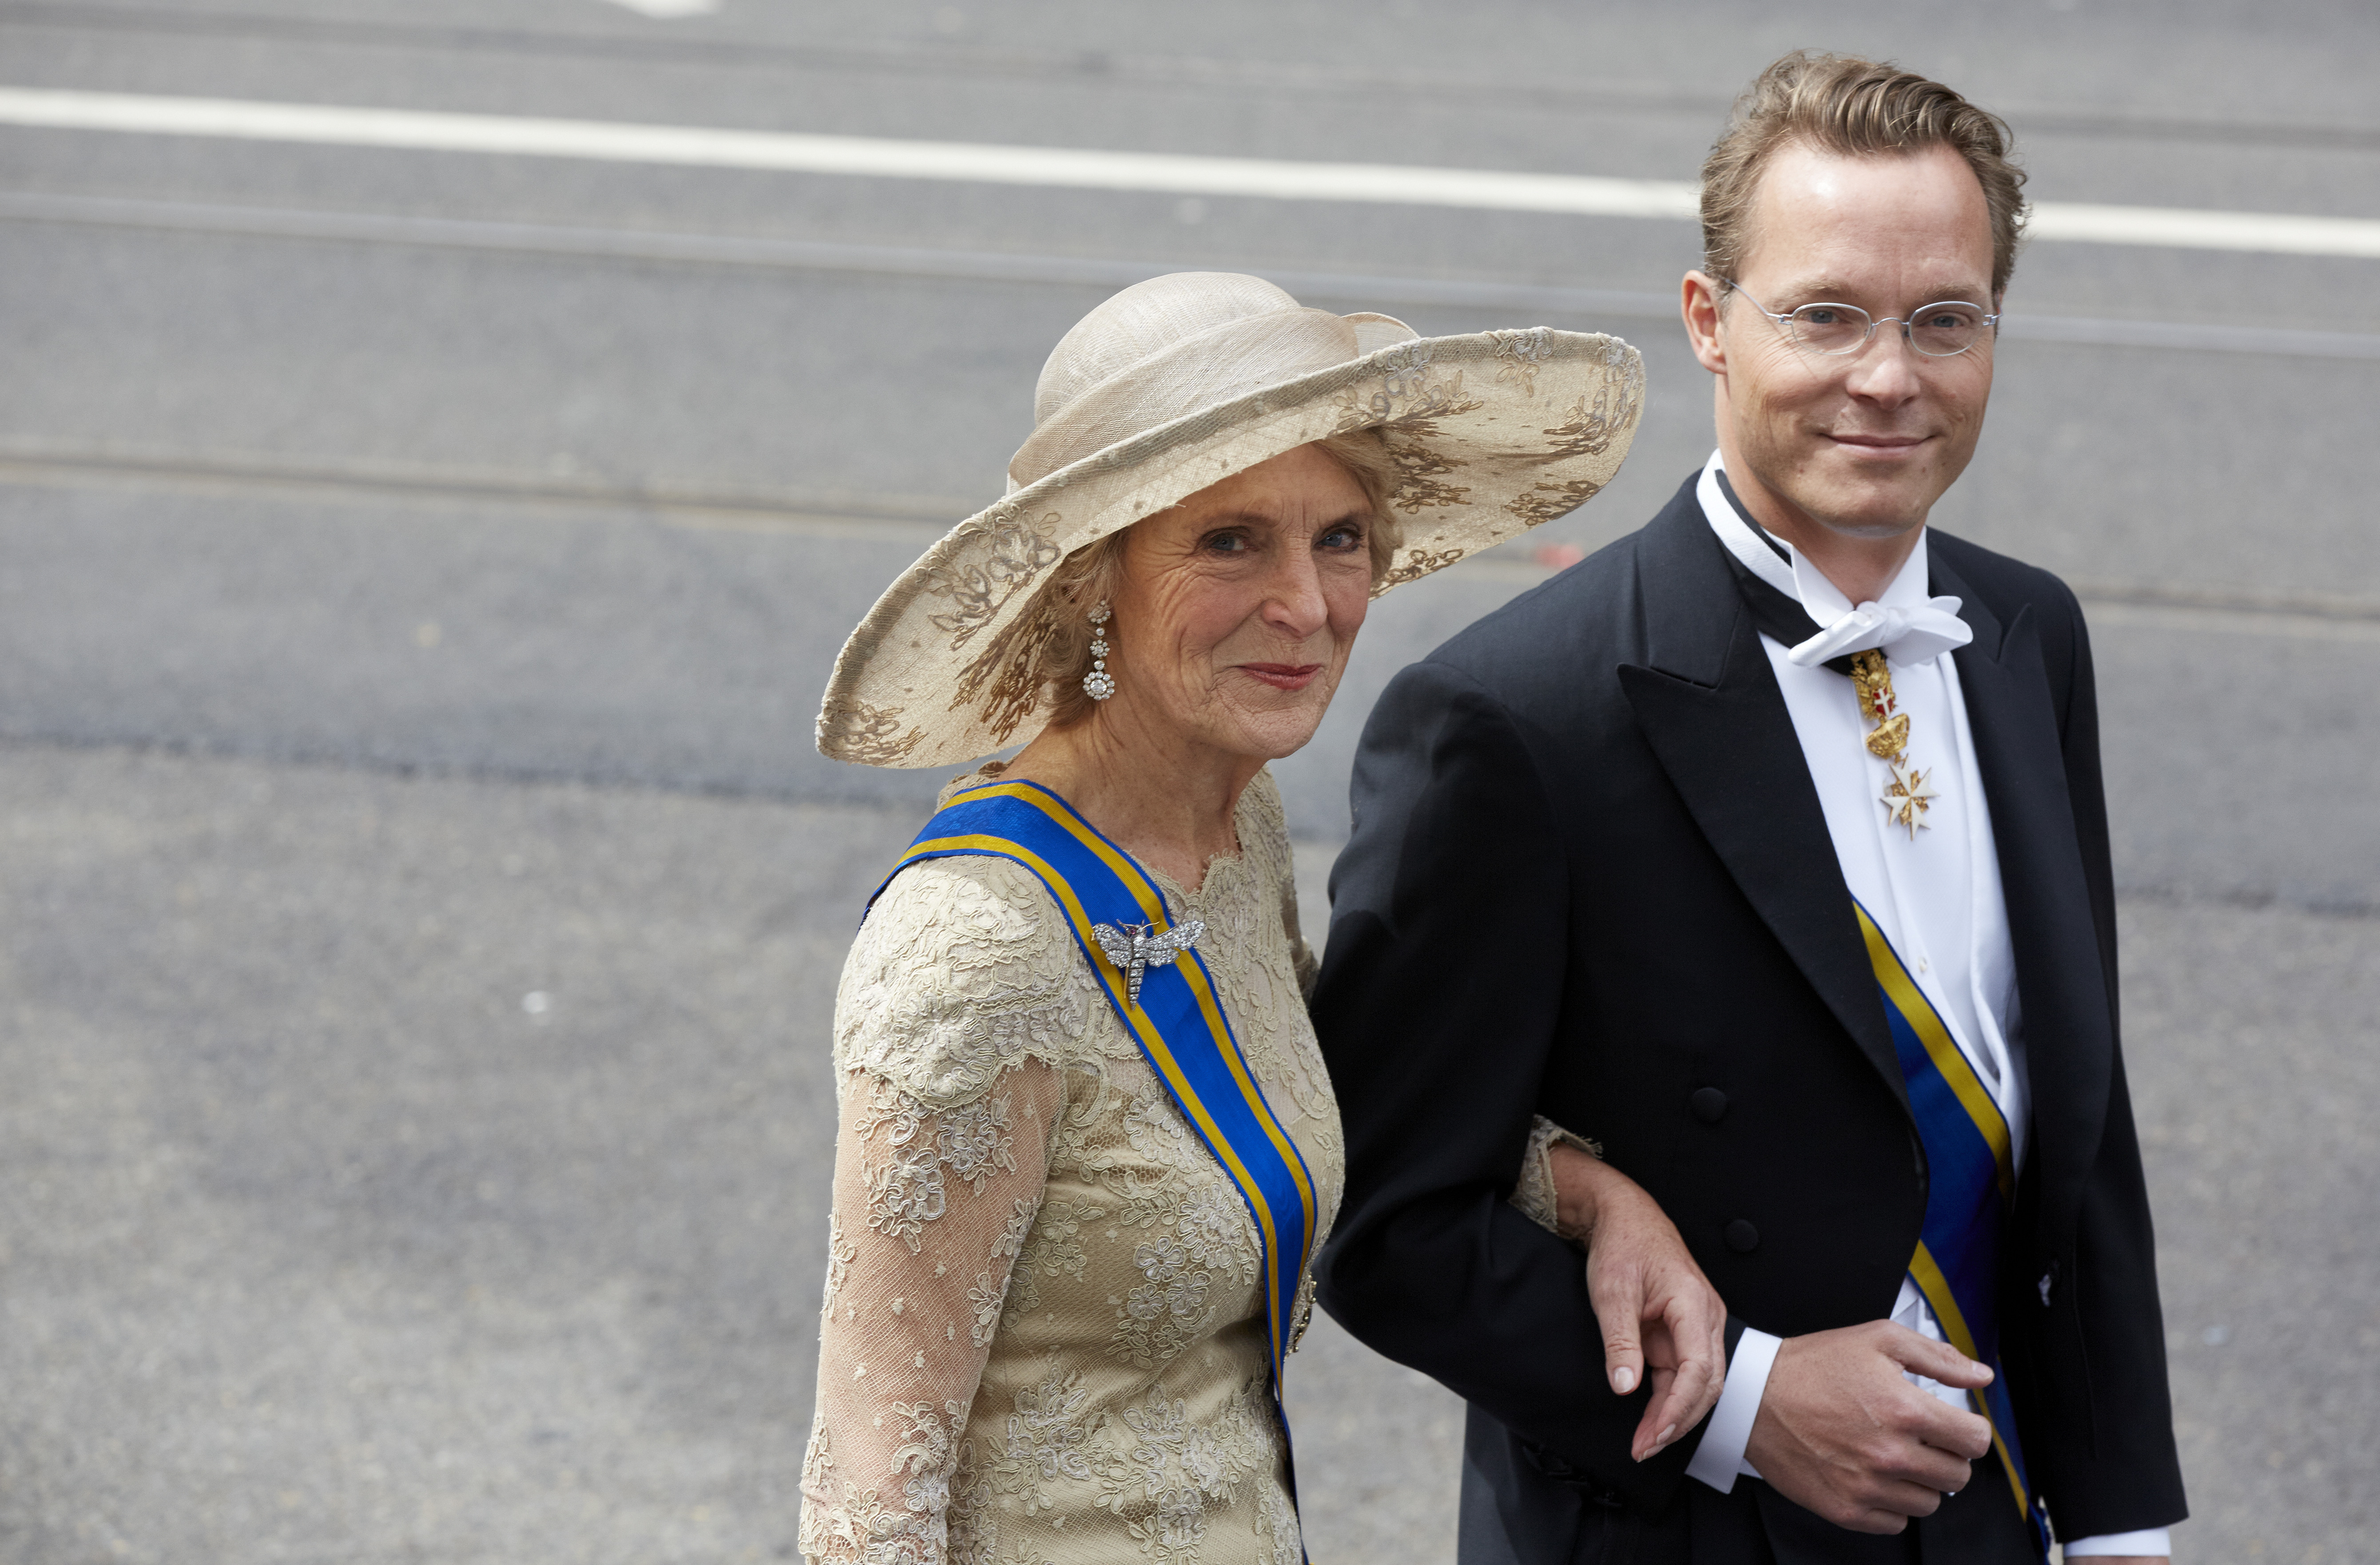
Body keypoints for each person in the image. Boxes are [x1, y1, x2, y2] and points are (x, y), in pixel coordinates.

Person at [1311, 52, 2186, 1565]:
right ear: (1711, 323)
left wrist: (2117, 1528)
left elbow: (2078, 1131)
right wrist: (1749, 1402)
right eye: (1826, 314)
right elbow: (1382, 1220)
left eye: (1944, 321)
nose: (1889, 376)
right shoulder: (1514, 717)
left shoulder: (2031, 635)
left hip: (1999, 1512)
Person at [798, 271, 1720, 1565]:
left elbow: (1292, 1079)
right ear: (1092, 582)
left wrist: (1587, 1192)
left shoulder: (1235, 824)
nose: (1307, 602)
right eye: (1230, 539)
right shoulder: (972, 955)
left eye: (1339, 536)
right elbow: (866, 1495)